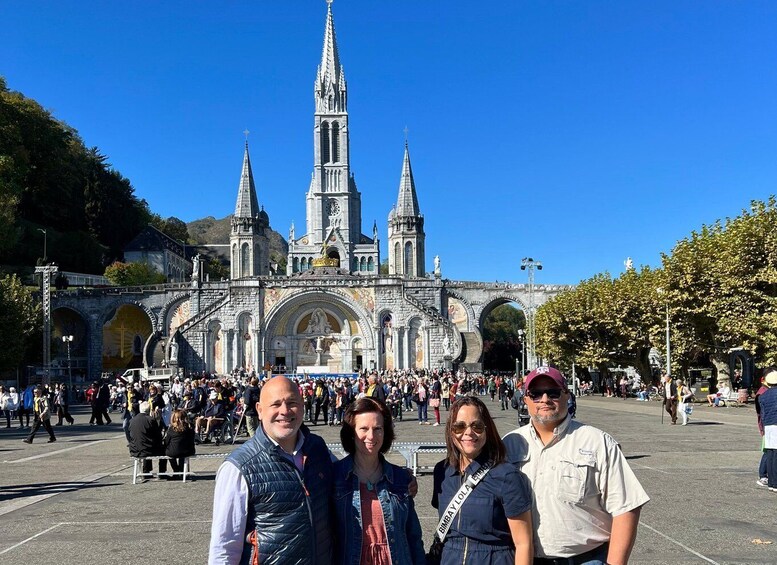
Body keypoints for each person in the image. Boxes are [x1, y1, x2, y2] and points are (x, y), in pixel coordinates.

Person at [504, 366, 649, 564]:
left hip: (586, 559)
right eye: (536, 394)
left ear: (567, 396)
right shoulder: (509, 444)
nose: (545, 399)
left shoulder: (597, 442)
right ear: (526, 399)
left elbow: (627, 507)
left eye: (553, 392)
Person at [208, 376, 333, 564]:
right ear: (259, 410)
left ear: (302, 406)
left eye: (292, 403)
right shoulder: (238, 467)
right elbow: (225, 546)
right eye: (275, 404)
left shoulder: (319, 449)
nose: (284, 411)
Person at [430, 396, 533, 564]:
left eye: (477, 426)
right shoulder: (442, 471)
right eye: (459, 426)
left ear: (487, 429)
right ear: (450, 430)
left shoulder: (506, 475)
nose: (468, 432)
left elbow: (523, 543)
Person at [333, 397, 425, 564]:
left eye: (378, 429)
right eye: (363, 428)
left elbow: (413, 537)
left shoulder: (401, 478)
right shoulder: (334, 477)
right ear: (351, 433)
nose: (371, 436)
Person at [128, 400, 167, 478]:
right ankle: (162, 473)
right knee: (163, 450)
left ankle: (146, 470)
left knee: (144, 442)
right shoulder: (151, 420)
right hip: (147, 449)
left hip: (135, 449)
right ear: (149, 410)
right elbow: (158, 436)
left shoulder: (132, 420)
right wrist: (158, 422)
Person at [758, 369, 777, 492]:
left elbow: (762, 414)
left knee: (770, 454)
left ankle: (771, 482)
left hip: (768, 426)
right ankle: (775, 483)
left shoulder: (763, 396)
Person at [164, 409, 196, 480]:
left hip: (173, 452)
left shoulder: (171, 429)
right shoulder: (189, 428)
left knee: (170, 453)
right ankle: (181, 471)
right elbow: (192, 440)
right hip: (187, 451)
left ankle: (176, 471)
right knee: (183, 454)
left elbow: (167, 441)